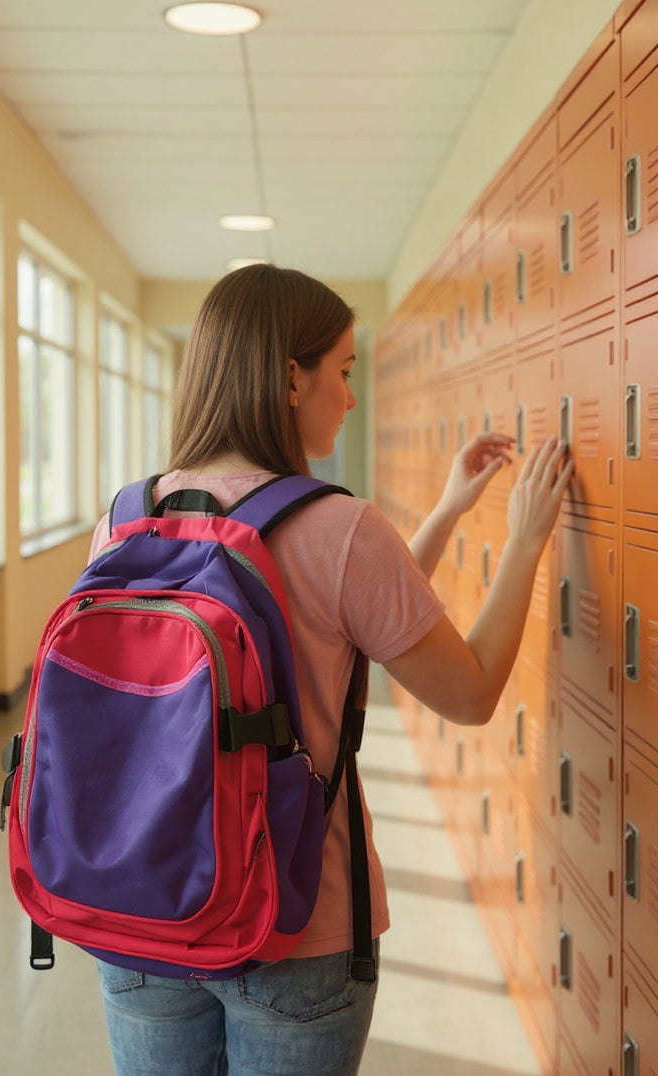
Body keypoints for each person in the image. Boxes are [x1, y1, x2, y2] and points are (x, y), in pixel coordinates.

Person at [88, 264, 574, 1076]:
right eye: (343, 371)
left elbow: (335, 625)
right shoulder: (341, 527)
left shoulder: (124, 516)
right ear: (290, 377)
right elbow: (474, 689)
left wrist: (449, 509)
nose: (350, 396)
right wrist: (523, 542)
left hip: (141, 918)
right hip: (295, 927)